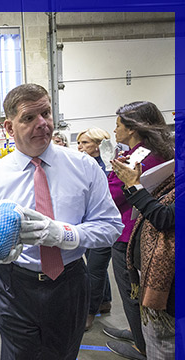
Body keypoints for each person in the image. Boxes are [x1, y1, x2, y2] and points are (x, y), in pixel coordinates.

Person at [0, 83, 123, 360]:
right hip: (14, 284)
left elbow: (111, 227)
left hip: (68, 284)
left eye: (46, 113)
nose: (42, 123)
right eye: (30, 117)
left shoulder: (83, 167)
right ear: (9, 126)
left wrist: (64, 234)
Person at [103, 101, 173, 360]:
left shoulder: (138, 157)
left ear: (132, 128)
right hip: (145, 233)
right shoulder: (159, 150)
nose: (115, 129)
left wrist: (111, 178)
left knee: (133, 292)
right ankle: (137, 332)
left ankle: (142, 347)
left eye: (119, 124)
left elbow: (115, 196)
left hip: (129, 235)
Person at [111, 158, 175, 360]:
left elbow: (164, 218)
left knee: (165, 343)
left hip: (170, 285)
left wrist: (135, 185)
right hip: (159, 276)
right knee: (160, 341)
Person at [76, 127, 114, 331]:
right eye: (79, 143)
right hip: (88, 225)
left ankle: (89, 313)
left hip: (103, 227)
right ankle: (105, 301)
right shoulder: (87, 166)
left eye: (85, 143)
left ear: (99, 146)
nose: (80, 147)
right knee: (95, 265)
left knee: (94, 271)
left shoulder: (108, 168)